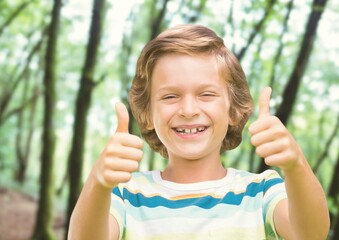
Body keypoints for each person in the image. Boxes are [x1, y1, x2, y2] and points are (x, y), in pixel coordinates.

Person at [68, 24, 330, 240]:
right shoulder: (125, 194)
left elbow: (311, 234)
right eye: (170, 96)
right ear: (147, 114)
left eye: (206, 94)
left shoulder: (261, 191)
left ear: (233, 109)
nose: (189, 109)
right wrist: (99, 181)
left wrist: (295, 165)